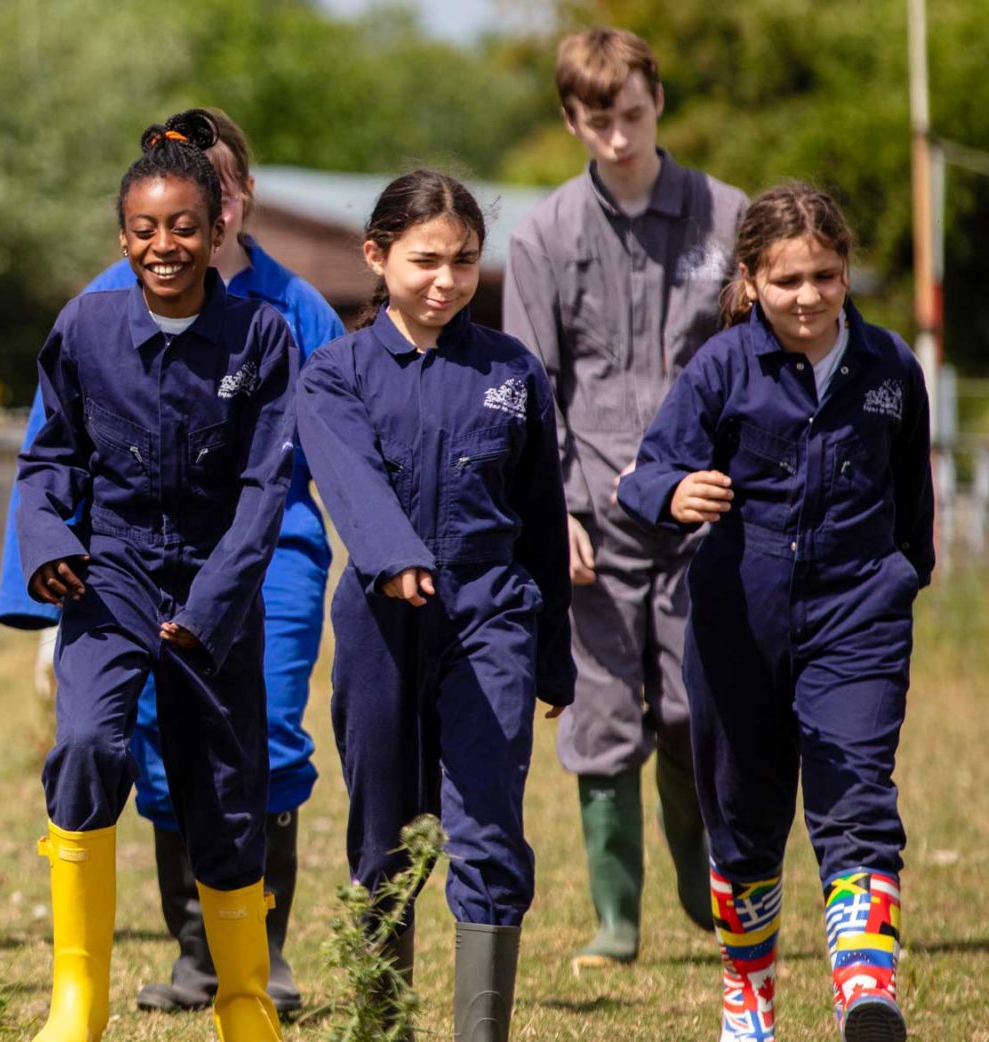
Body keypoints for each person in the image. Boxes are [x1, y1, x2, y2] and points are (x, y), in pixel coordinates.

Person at [0, 106, 338, 1014]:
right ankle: (79, 997)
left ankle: (243, 999)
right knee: (86, 745)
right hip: (109, 581)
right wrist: (48, 546)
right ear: (122, 235)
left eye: (184, 226)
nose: (165, 245)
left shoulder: (265, 333)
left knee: (228, 792)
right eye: (145, 229)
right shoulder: (84, 326)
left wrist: (216, 605)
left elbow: (270, 486)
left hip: (216, 587)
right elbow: (48, 459)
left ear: (220, 222)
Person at [616, 183, 930, 1042]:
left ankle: (866, 991)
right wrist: (677, 491)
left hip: (858, 616)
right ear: (751, 279)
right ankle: (748, 990)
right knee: (744, 816)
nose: (809, 297)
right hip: (736, 625)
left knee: (857, 794)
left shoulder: (891, 370)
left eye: (826, 276)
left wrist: (900, 579)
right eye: (788, 279)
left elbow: (912, 499)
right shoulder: (722, 368)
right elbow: (646, 473)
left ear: (846, 272)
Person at [294, 170, 573, 1042]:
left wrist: (554, 653)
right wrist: (395, 559)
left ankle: (478, 1032)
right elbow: (350, 479)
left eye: (463, 261)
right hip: (380, 624)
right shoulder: (334, 373)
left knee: (487, 826)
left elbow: (543, 518)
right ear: (377, 257)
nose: (446, 281)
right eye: (425, 261)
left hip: (492, 615)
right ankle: (384, 1026)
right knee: (384, 833)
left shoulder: (513, 371)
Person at [505, 26, 740, 968]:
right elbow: (529, 388)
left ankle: (703, 880)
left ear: (659, 103)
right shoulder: (544, 235)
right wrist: (551, 508)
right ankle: (616, 918)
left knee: (694, 704)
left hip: (703, 503)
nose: (619, 137)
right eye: (598, 121)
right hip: (590, 511)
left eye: (633, 115)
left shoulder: (729, 220)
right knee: (602, 714)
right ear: (571, 120)